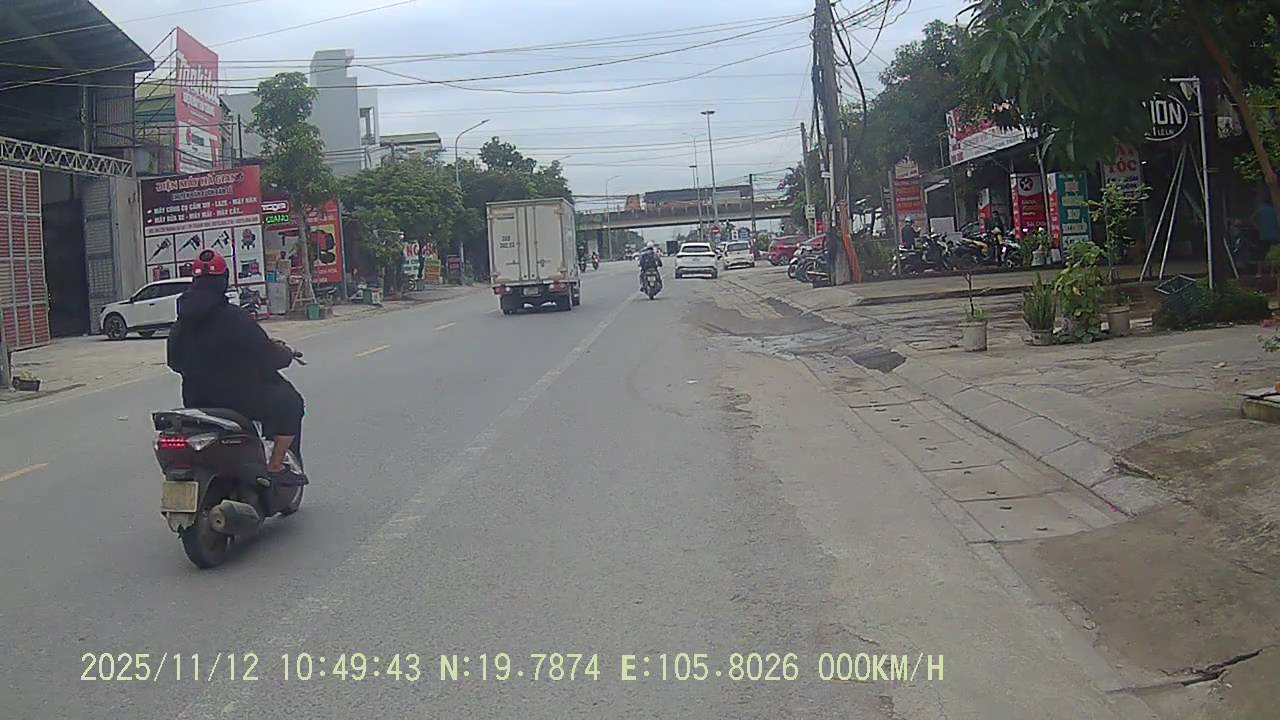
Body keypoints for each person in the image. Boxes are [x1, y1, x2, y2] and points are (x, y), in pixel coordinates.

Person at [166, 250, 307, 487]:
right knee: (292, 403)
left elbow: (174, 363)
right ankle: (275, 465)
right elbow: (268, 356)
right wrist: (284, 355)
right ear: (224, 280)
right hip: (243, 401)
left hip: (198, 402)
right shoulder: (236, 320)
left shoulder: (180, 325)